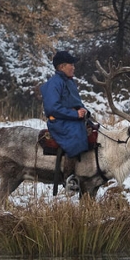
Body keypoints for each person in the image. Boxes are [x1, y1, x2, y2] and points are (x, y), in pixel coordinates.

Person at [41, 50, 90, 191]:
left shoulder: (70, 82)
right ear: (62, 67)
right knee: (76, 136)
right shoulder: (54, 84)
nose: (73, 67)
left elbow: (76, 103)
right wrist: (75, 115)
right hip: (59, 122)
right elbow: (52, 108)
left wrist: (84, 111)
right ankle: (69, 178)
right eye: (71, 64)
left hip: (71, 119)